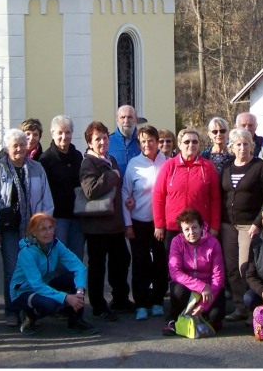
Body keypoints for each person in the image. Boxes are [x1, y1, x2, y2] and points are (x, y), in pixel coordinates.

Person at [0, 128, 54, 328]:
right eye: (15, 145)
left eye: (23, 144)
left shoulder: (37, 168)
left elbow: (45, 198)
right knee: (13, 269)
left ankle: (30, 310)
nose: (20, 149)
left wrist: (43, 224)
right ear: (7, 147)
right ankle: (12, 310)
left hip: (34, 229)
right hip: (9, 230)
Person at [78, 121, 134, 320]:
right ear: (90, 142)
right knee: (97, 267)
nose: (102, 142)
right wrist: (111, 175)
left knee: (121, 260)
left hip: (115, 224)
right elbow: (90, 190)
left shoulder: (110, 159)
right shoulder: (88, 163)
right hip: (98, 227)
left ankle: (120, 299)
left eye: (104, 138)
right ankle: (98, 305)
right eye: (97, 139)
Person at [219, 127, 263, 322]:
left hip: (248, 225)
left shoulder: (259, 166)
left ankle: (253, 308)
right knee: (231, 268)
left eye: (246, 144)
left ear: (252, 146)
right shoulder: (226, 167)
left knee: (245, 267)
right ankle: (239, 306)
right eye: (238, 145)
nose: (242, 148)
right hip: (227, 225)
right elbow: (221, 194)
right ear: (232, 148)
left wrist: (258, 222)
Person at [10, 213, 97, 336]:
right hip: (23, 292)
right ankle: (30, 315)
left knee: (74, 279)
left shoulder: (55, 244)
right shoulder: (27, 253)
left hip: (44, 285)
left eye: (50, 227)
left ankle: (76, 320)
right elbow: (36, 285)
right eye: (43, 229)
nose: (48, 232)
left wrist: (79, 292)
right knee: (51, 304)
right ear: (34, 233)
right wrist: (66, 297)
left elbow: (79, 267)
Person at [124, 125, 169, 321]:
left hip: (160, 223)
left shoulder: (166, 162)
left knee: (160, 262)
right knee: (140, 263)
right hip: (139, 222)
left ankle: (158, 300)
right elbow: (125, 194)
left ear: (157, 142)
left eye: (150, 140)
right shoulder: (134, 164)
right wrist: (128, 224)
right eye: (142, 141)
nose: (146, 144)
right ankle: (141, 303)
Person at [152, 128, 220, 249]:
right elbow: (158, 196)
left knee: (199, 264)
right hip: (173, 227)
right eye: (187, 142)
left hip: (199, 227)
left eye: (195, 142)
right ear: (179, 144)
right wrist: (159, 224)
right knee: (173, 264)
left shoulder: (208, 167)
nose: (191, 145)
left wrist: (214, 226)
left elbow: (215, 199)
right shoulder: (169, 166)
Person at [164, 208, 226, 335]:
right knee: (177, 290)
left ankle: (204, 317)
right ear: (181, 231)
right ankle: (174, 319)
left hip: (210, 288)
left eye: (195, 227)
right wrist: (200, 286)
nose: (191, 232)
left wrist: (203, 305)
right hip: (189, 287)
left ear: (202, 227)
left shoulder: (213, 243)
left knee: (216, 314)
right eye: (186, 229)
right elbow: (175, 272)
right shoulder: (176, 242)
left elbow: (218, 277)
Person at [39, 115, 86, 259]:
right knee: (58, 258)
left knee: (76, 257)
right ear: (52, 134)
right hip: (57, 218)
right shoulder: (46, 159)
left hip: (77, 216)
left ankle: (74, 283)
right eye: (60, 132)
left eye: (68, 132)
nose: (64, 136)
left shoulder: (78, 156)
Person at [109, 105, 141, 171]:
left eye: (130, 117)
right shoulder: (107, 142)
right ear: (117, 119)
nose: (126, 121)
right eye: (122, 117)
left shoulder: (144, 141)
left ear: (136, 119)